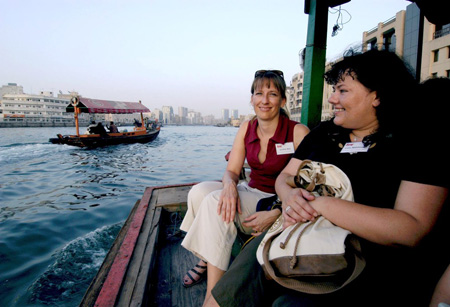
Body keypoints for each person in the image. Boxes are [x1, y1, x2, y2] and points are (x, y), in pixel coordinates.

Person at [206, 50, 449, 307]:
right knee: (247, 266)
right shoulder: (326, 133)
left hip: (361, 258)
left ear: (376, 95)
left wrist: (320, 205)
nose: (332, 99)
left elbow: (411, 229)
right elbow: (286, 176)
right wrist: (289, 196)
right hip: (297, 233)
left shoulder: (418, 142)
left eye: (342, 91)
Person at [180, 70, 310, 303]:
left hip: (275, 199)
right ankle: (207, 257)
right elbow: (231, 170)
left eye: (272, 94)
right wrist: (229, 186)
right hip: (250, 188)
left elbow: (311, 185)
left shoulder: (297, 132)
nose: (265, 100)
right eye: (259, 93)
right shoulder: (246, 128)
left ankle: (213, 295)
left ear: (282, 100)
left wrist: (279, 212)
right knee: (198, 192)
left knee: (212, 203)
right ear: (252, 99)